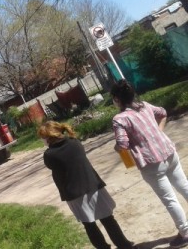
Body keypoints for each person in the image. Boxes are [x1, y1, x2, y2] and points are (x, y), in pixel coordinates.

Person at [111, 79, 188, 248]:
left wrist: (118, 148)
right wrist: (158, 132)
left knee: (169, 199)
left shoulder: (120, 119)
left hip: (151, 163)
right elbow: (162, 112)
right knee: (184, 186)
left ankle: (185, 233)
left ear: (117, 99)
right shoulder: (144, 105)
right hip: (168, 151)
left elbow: (122, 145)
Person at [38, 121, 136, 249]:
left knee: (89, 225)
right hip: (93, 185)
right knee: (108, 219)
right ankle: (124, 245)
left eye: (43, 138)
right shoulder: (75, 142)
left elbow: (51, 166)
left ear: (49, 137)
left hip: (73, 193)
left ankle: (103, 247)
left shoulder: (49, 154)